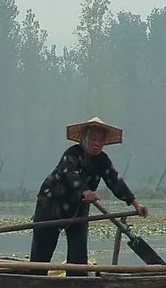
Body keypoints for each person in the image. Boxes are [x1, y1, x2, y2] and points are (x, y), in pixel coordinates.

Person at [29, 116, 149, 274]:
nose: (97, 143)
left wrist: (135, 203)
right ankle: (36, 281)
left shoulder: (102, 160)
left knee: (78, 256)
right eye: (93, 139)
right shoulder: (72, 154)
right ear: (84, 139)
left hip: (78, 208)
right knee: (41, 257)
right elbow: (70, 175)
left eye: (101, 140)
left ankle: (77, 285)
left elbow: (115, 181)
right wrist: (85, 191)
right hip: (51, 205)